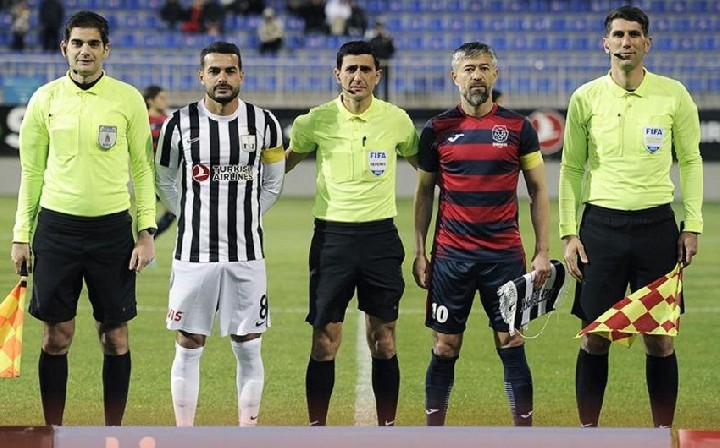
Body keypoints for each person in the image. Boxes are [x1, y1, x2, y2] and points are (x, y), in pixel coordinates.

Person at [10, 10, 156, 426]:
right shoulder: (45, 99)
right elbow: (32, 172)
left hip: (112, 231)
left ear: (106, 49)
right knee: (56, 336)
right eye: (77, 43)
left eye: (93, 43)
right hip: (57, 231)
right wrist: (22, 234)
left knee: (115, 336)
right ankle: (53, 430)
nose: (85, 50)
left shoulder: (128, 99)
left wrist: (145, 231)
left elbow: (143, 169)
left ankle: (113, 433)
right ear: (64, 48)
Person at [559, 5, 703, 428]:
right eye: (619, 35)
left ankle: (661, 433)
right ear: (605, 43)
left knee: (659, 341)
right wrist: (569, 233)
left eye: (634, 35)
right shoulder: (585, 97)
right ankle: (589, 433)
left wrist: (692, 224)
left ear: (647, 43)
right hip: (600, 229)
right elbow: (571, 168)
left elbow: (691, 161)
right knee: (595, 337)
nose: (626, 42)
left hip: (656, 229)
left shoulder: (674, 94)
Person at [413, 42, 551, 427]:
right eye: (469, 68)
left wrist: (542, 250)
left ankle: (524, 432)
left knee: (511, 340)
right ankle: (433, 432)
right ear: (454, 77)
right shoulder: (436, 129)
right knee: (445, 345)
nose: (477, 75)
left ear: (495, 74)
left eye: (484, 68)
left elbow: (539, 190)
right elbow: (424, 192)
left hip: (504, 258)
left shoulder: (519, 128)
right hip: (451, 258)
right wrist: (420, 252)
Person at [285, 40, 419, 426]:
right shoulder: (314, 121)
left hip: (380, 239)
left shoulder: (397, 120)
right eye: (350, 69)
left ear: (378, 75)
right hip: (332, 241)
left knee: (384, 340)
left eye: (365, 69)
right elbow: (282, 166)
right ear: (337, 74)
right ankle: (317, 430)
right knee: (324, 340)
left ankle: (387, 429)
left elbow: (427, 170)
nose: (357, 76)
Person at [155, 41, 285, 427]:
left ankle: (247, 433)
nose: (222, 78)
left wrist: (247, 215)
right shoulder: (178, 123)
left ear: (241, 75)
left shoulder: (265, 123)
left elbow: (273, 184)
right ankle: (185, 434)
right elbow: (164, 179)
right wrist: (192, 215)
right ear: (202, 76)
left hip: (247, 254)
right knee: (188, 342)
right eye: (214, 71)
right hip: (194, 255)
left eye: (230, 71)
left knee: (248, 345)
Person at [143, 85, 176, 238]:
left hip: (165, 174)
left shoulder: (168, 121)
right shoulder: (142, 120)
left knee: (172, 211)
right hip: (146, 173)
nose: (165, 101)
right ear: (150, 101)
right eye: (161, 98)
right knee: (145, 212)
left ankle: (147, 240)